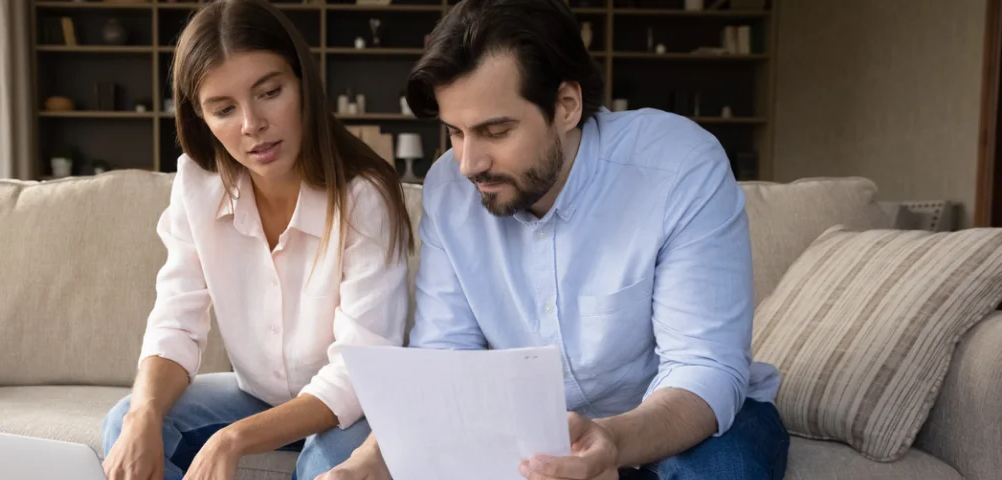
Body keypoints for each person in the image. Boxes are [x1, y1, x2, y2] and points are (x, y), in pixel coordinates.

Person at [321, 0, 788, 478]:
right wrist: (371, 460)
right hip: (534, 432)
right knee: (335, 460)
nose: (469, 163)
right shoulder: (450, 189)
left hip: (677, 419)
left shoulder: (678, 167)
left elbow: (703, 367)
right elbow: (444, 361)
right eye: (455, 132)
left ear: (567, 105)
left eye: (495, 130)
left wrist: (612, 442)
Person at [100, 0, 413, 479]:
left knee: (330, 467)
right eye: (223, 109)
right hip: (254, 396)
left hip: (349, 409)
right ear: (200, 117)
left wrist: (235, 438)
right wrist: (144, 412)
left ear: (303, 84)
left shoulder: (363, 197)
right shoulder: (196, 186)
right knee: (126, 422)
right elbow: (176, 323)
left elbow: (359, 371)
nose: (251, 124)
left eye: (269, 92)